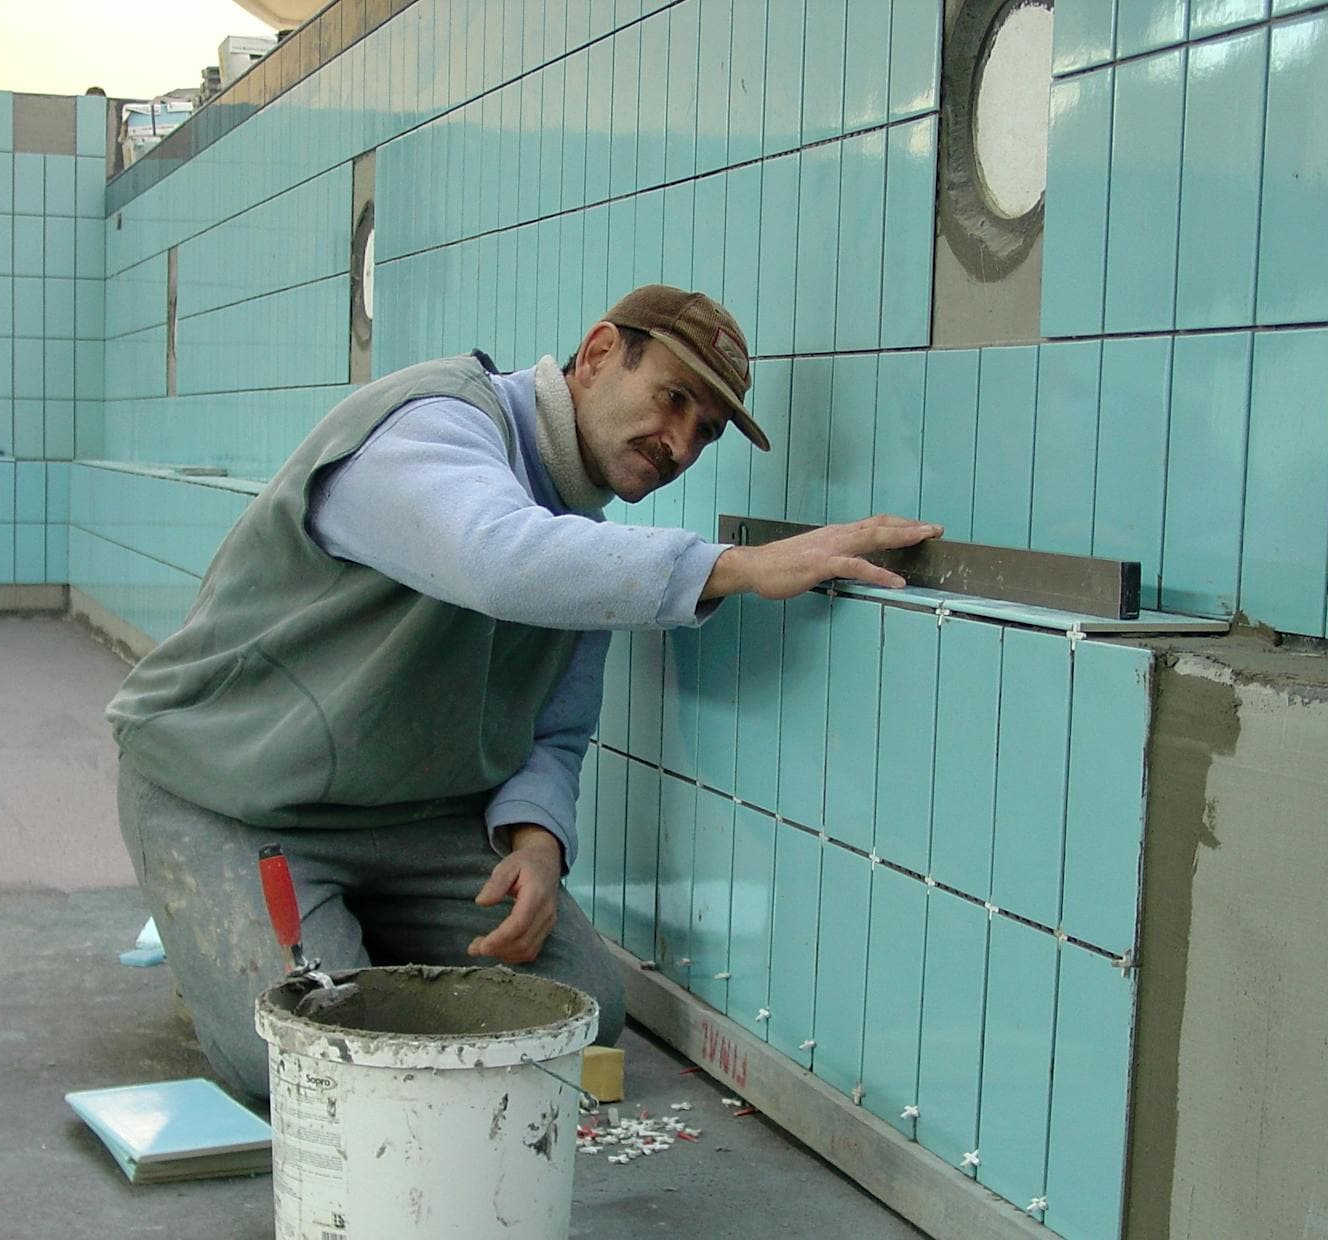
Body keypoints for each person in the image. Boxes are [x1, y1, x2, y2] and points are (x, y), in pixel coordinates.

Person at [106, 284, 943, 1097]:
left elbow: (557, 731)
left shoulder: (585, 549)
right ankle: (232, 953)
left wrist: (537, 846)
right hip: (235, 797)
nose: (681, 443)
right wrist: (740, 567)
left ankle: (347, 952)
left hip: (410, 826)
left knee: (582, 1010)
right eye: (673, 398)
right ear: (600, 352)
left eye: (705, 431)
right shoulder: (432, 423)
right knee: (311, 1053)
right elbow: (494, 558)